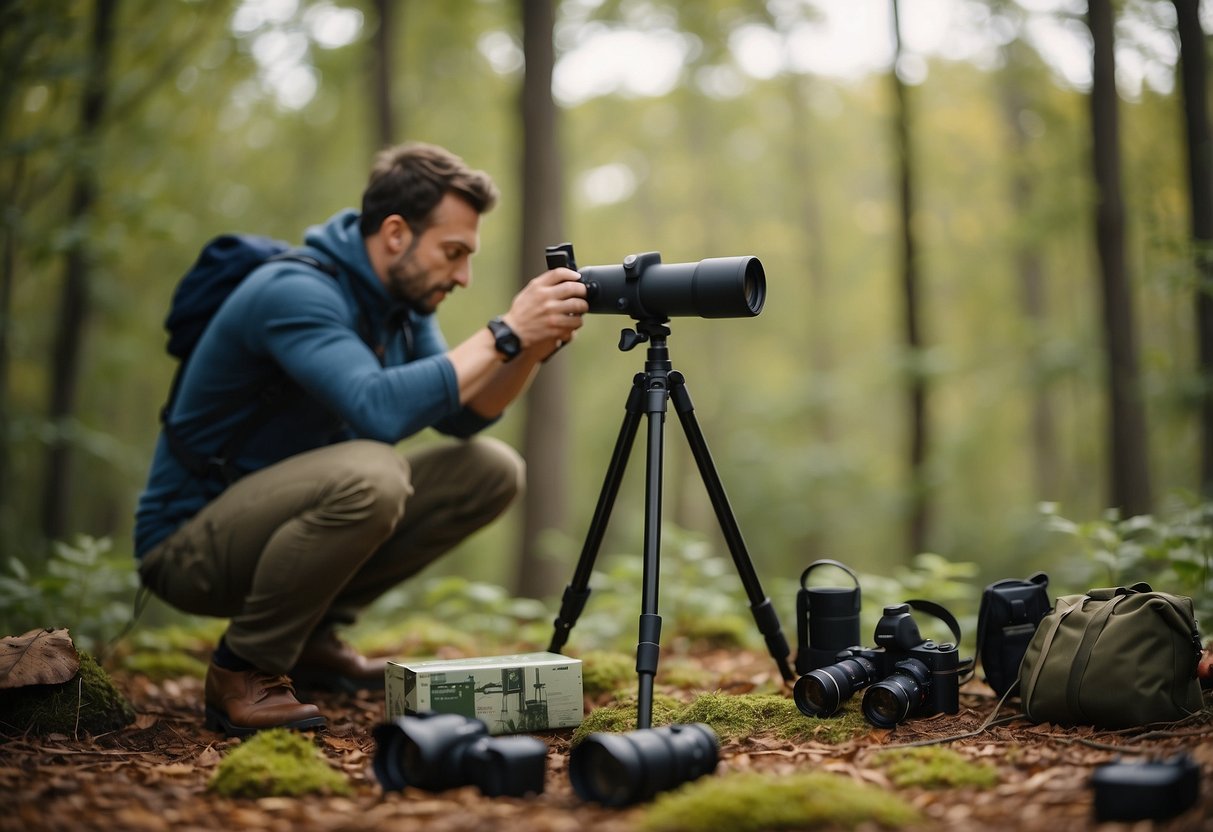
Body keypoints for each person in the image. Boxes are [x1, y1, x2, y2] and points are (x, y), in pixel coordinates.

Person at [133, 142, 588, 737]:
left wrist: (527, 349)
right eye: (453, 253)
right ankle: (243, 668)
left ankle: (311, 638)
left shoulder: (403, 306)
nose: (462, 276)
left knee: (490, 469)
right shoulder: (294, 292)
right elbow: (377, 409)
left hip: (281, 523)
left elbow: (462, 416)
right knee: (375, 472)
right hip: (189, 545)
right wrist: (504, 331)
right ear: (396, 234)